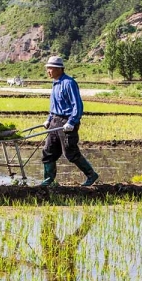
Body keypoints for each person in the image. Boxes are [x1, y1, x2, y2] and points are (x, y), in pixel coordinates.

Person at [40, 56, 98, 187]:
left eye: (51, 68)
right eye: (47, 68)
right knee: (48, 151)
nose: (48, 71)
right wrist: (49, 119)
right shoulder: (55, 83)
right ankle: (48, 180)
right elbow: (54, 106)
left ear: (59, 69)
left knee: (70, 152)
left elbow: (77, 105)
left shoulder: (69, 83)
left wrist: (72, 122)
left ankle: (91, 174)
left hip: (67, 121)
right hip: (55, 120)